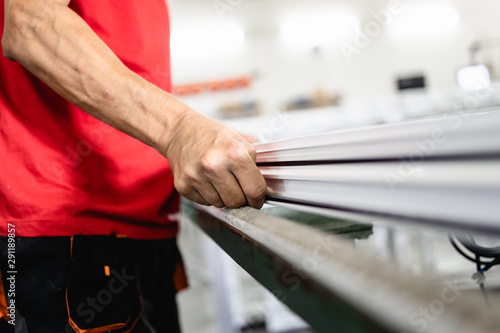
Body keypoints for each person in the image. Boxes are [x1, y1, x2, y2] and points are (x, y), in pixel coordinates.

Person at [0, 0, 268, 332]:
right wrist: (179, 130)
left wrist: (209, 142)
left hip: (141, 225)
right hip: (63, 232)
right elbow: (31, 24)